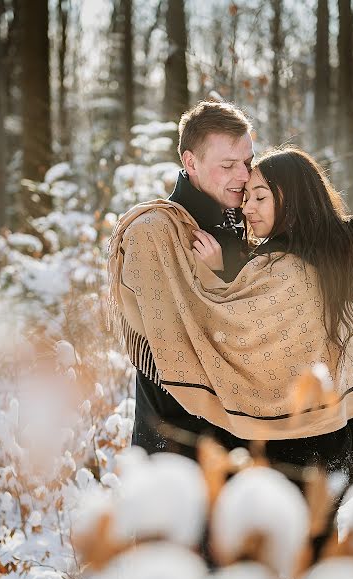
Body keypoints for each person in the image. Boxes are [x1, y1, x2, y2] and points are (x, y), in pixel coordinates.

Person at [194, 146, 353, 560]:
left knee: (291, 563)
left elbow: (235, 330)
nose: (248, 208)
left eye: (261, 197)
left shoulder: (282, 268)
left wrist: (217, 276)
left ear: (290, 199)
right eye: (247, 197)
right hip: (334, 437)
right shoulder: (332, 255)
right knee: (320, 559)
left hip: (291, 446)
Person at [125, 100, 256, 457]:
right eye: (228, 165)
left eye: (246, 163)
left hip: (240, 441)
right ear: (190, 162)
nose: (243, 176)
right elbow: (168, 349)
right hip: (174, 441)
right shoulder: (156, 233)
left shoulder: (253, 216)